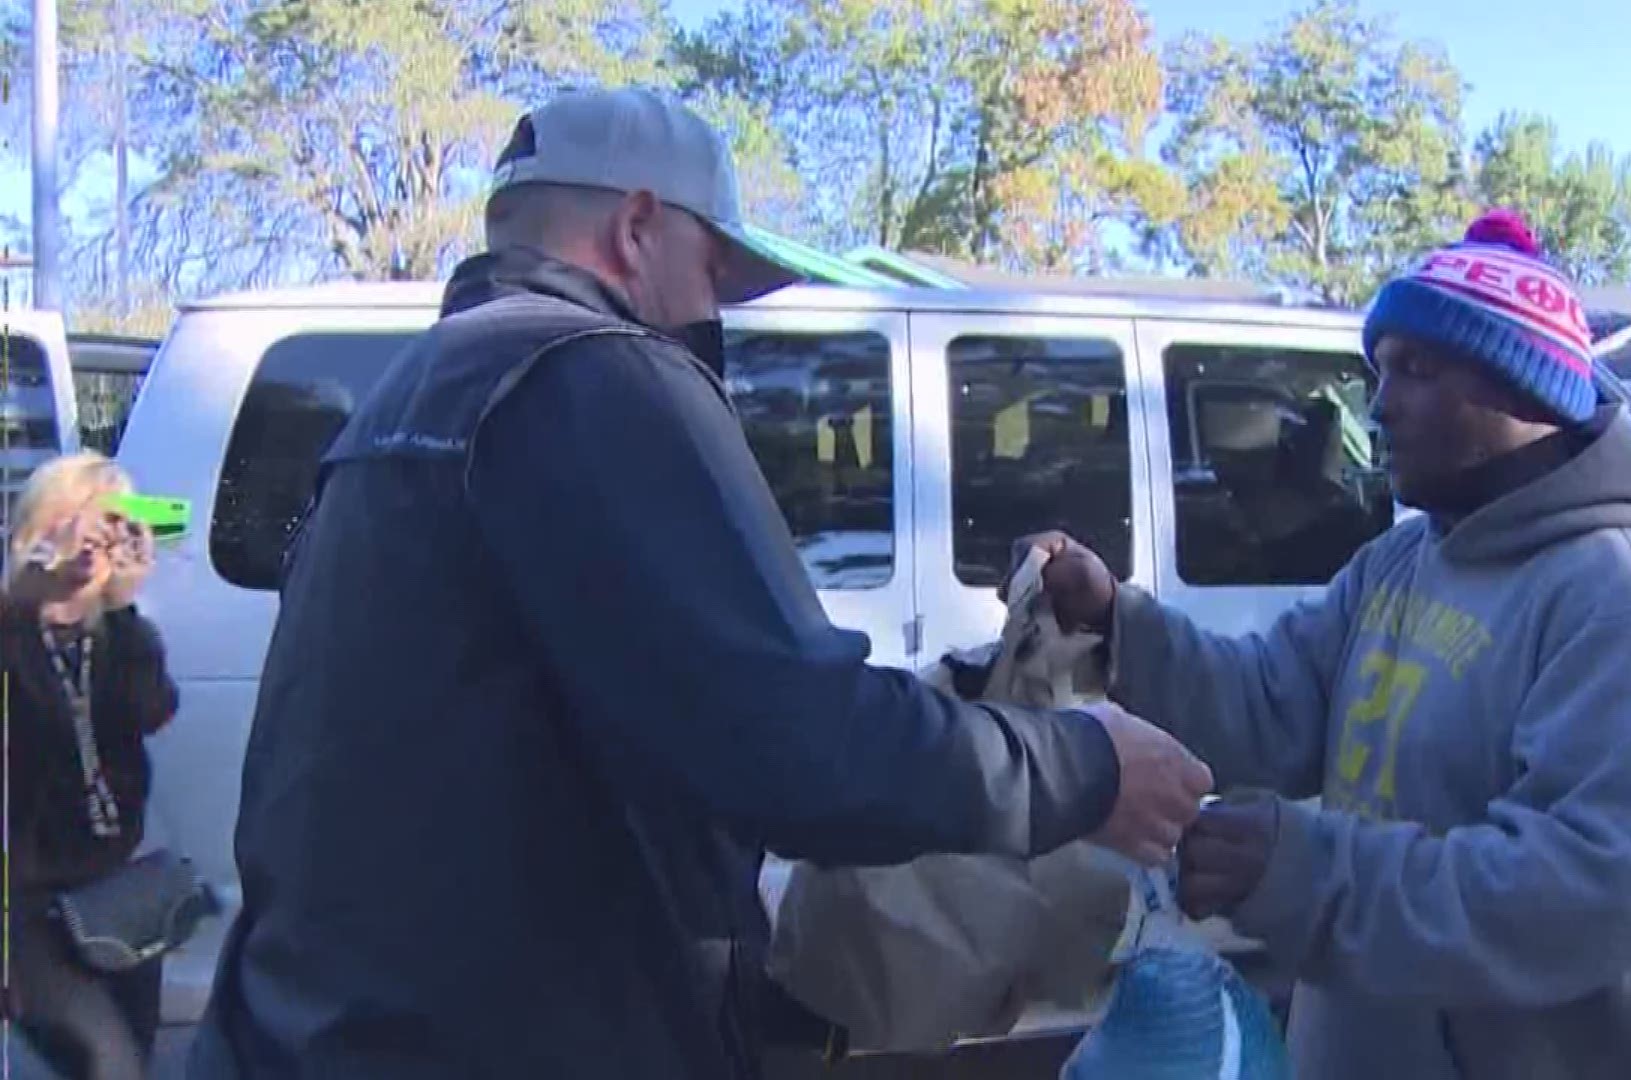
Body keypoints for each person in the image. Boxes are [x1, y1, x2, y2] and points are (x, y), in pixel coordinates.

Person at [185, 86, 1210, 1080]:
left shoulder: (400, 404)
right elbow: (798, 747)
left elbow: (621, 719)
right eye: (714, 273)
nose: (712, 315)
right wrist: (1086, 766)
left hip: (317, 1030)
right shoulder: (596, 374)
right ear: (637, 227)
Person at [1025, 210, 1631, 1079]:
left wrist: (1306, 872)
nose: (1378, 402)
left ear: (1518, 387)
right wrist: (1116, 618)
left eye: (1415, 368)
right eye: (1381, 369)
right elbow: (1268, 701)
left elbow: (1578, 896)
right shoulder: (1405, 560)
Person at [3, 451, 177, 1079]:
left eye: (106, 526)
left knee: (131, 1054)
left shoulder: (123, 638)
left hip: (121, 889)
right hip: (31, 903)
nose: (90, 542)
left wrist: (123, 606)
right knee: (109, 1063)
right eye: (73, 521)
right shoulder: (12, 632)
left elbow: (151, 710)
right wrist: (33, 597)